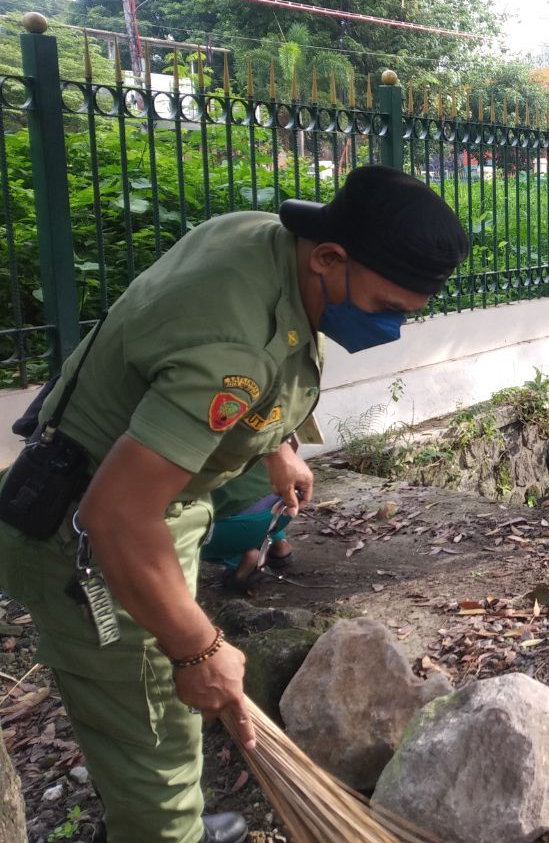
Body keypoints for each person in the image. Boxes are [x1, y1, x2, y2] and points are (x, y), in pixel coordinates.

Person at [0, 165, 469, 843]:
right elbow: (116, 518)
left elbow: (201, 370)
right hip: (95, 543)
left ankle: (157, 818)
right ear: (330, 258)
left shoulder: (261, 240)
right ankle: (163, 829)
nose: (391, 327)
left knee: (155, 709)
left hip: (143, 500)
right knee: (153, 726)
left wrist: (275, 445)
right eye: (386, 307)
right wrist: (198, 648)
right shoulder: (232, 350)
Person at [204, 462, 294, 591]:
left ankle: (242, 559)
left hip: (241, 525)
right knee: (257, 494)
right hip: (283, 505)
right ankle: (279, 545)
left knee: (182, 531)